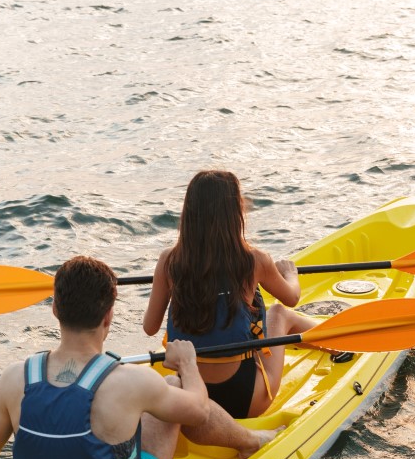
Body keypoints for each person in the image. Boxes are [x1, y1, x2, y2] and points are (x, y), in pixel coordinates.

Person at [0, 255, 274, 459]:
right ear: (108, 315)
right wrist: (188, 365)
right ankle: (252, 441)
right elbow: (199, 412)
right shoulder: (131, 382)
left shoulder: (14, 377)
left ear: (55, 309)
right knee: (172, 387)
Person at [142, 170, 338, 419]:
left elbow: (150, 327)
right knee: (279, 313)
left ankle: (330, 340)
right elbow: (291, 298)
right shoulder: (254, 260)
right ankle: (339, 341)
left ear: (189, 212)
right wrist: (291, 274)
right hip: (244, 401)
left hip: (192, 393)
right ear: (236, 212)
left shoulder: (168, 260)